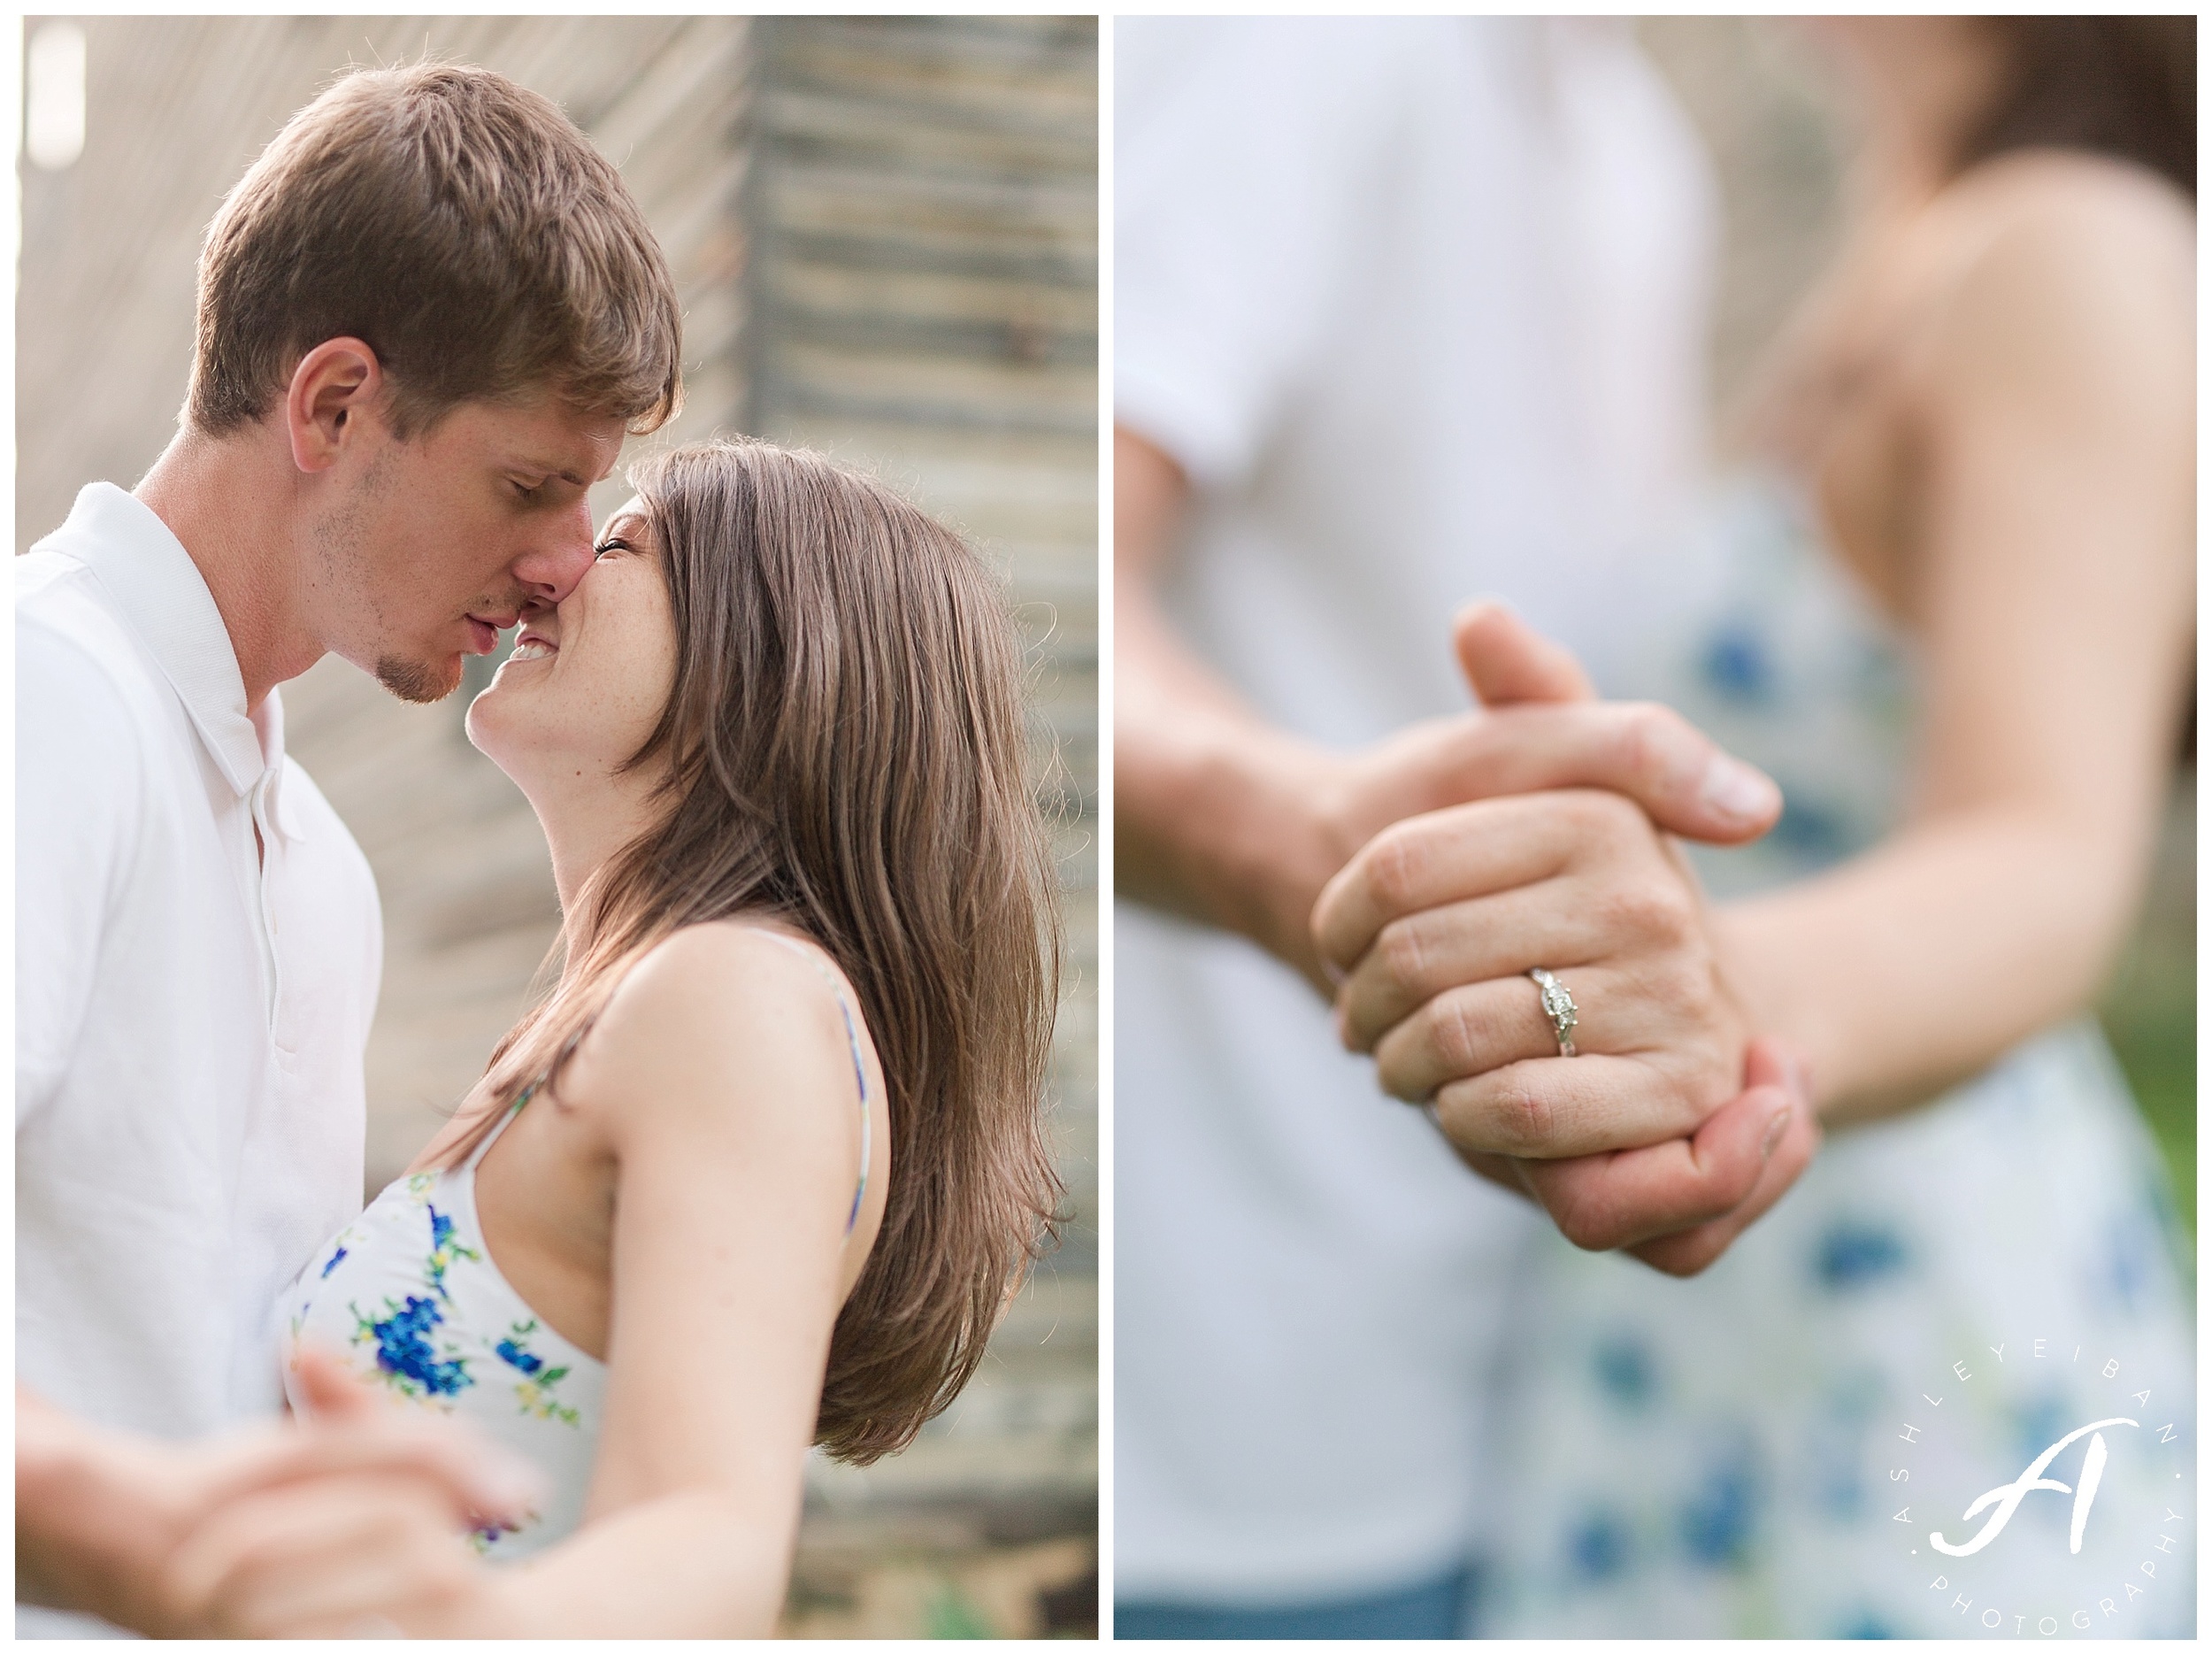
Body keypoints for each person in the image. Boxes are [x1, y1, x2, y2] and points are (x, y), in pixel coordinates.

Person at [1316, 15, 2195, 1637]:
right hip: (1707, 1312)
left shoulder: (2074, 244)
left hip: (1903, 1292)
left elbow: (2056, 854)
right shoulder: (1891, 232)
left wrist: (1708, 990)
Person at [1111, 18, 1819, 1638]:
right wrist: (1315, 842)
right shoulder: (1301, 45)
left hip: (1536, 1382)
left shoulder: (1645, 149)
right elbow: (1064, 594)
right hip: (1241, 1420)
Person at [155, 437, 1062, 1637]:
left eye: (622, 542)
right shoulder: (637, 1008)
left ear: (761, 656)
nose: (553, 569)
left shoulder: (733, 994)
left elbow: (708, 1547)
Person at [17, 61, 681, 1636]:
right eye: (531, 485)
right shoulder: (42, 700)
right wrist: (110, 1526)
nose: (559, 570)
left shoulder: (322, 867)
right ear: (332, 404)